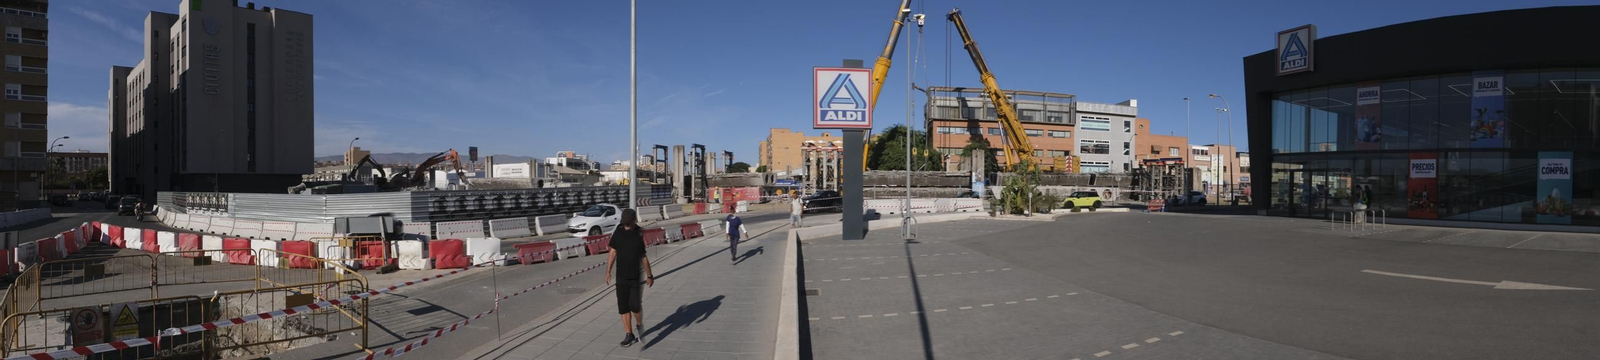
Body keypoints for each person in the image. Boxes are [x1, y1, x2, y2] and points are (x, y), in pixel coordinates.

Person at [604, 208, 653, 347]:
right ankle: (629, 335)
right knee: (623, 307)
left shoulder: (638, 233)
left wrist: (650, 275)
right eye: (624, 223)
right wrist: (608, 271)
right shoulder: (618, 233)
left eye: (628, 223)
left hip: (635, 277)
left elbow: (643, 257)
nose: (626, 225)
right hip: (621, 277)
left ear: (633, 221)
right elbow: (612, 252)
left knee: (635, 306)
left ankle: (639, 324)